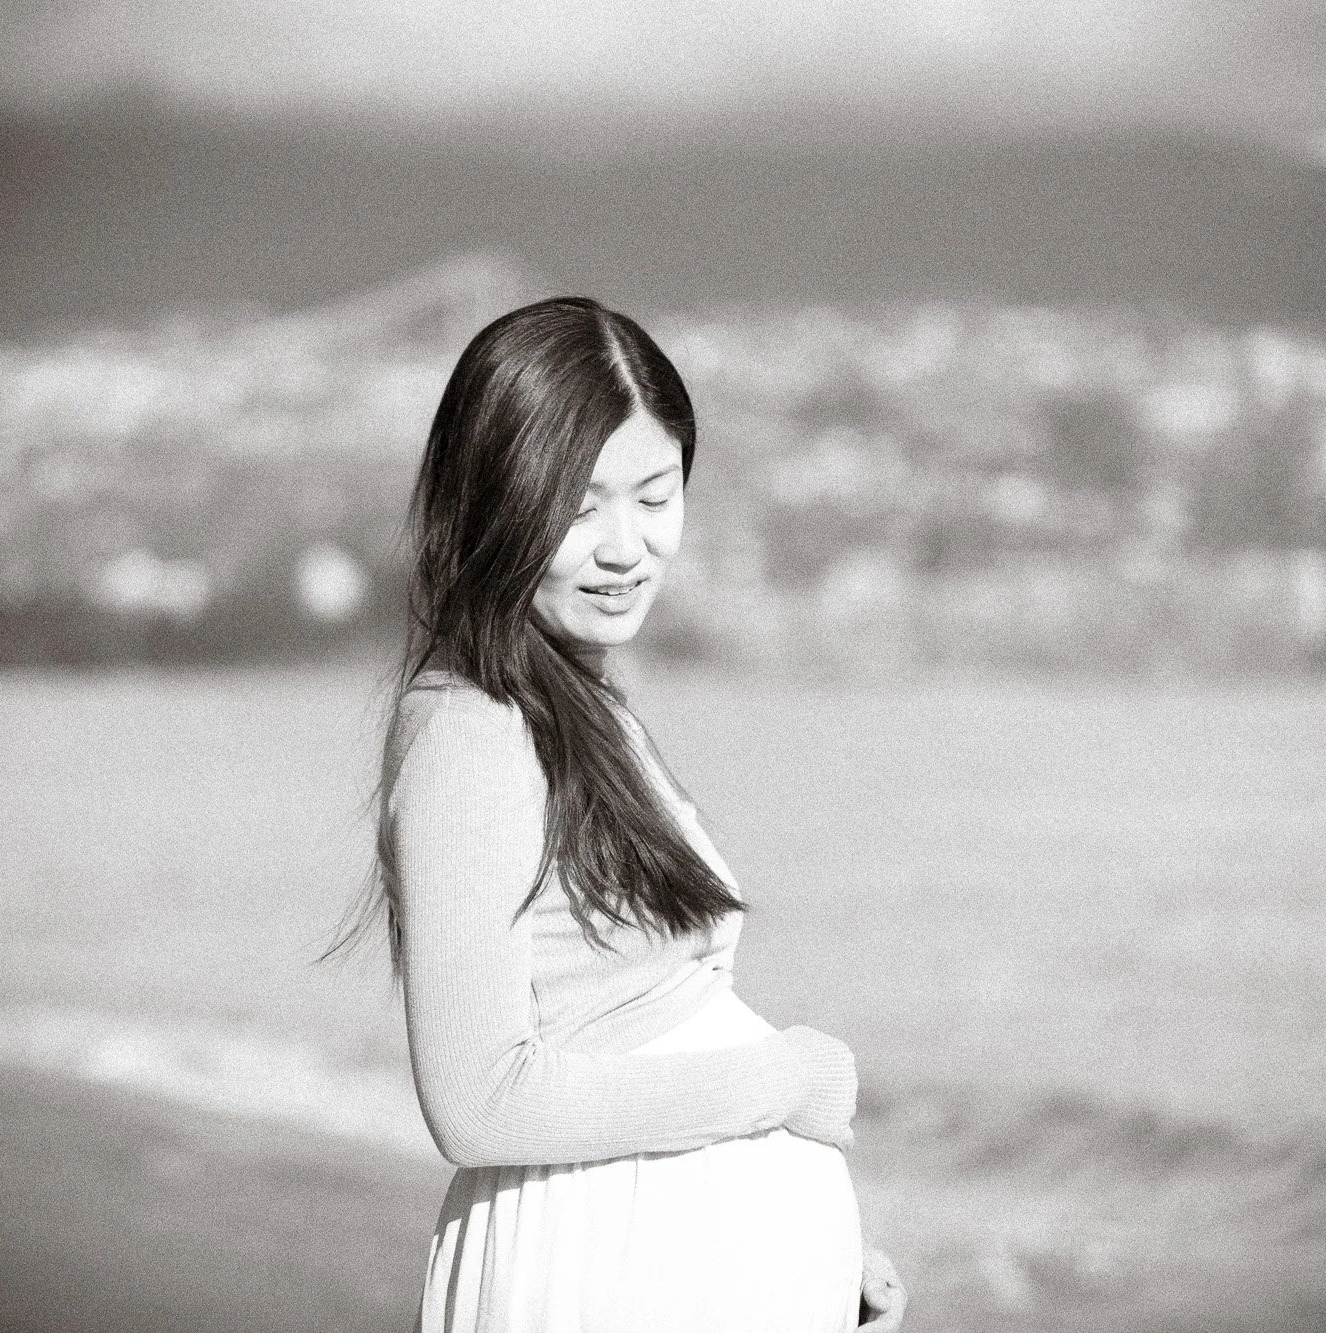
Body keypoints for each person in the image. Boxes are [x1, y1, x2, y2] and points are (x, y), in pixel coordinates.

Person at [349, 296, 907, 1332]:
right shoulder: (471, 729)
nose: (626, 548)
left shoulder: (576, 697)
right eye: (579, 508)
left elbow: (639, 1018)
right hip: (592, 1268)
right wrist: (783, 1081)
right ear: (493, 506)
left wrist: (818, 1251)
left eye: (655, 496)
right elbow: (479, 1100)